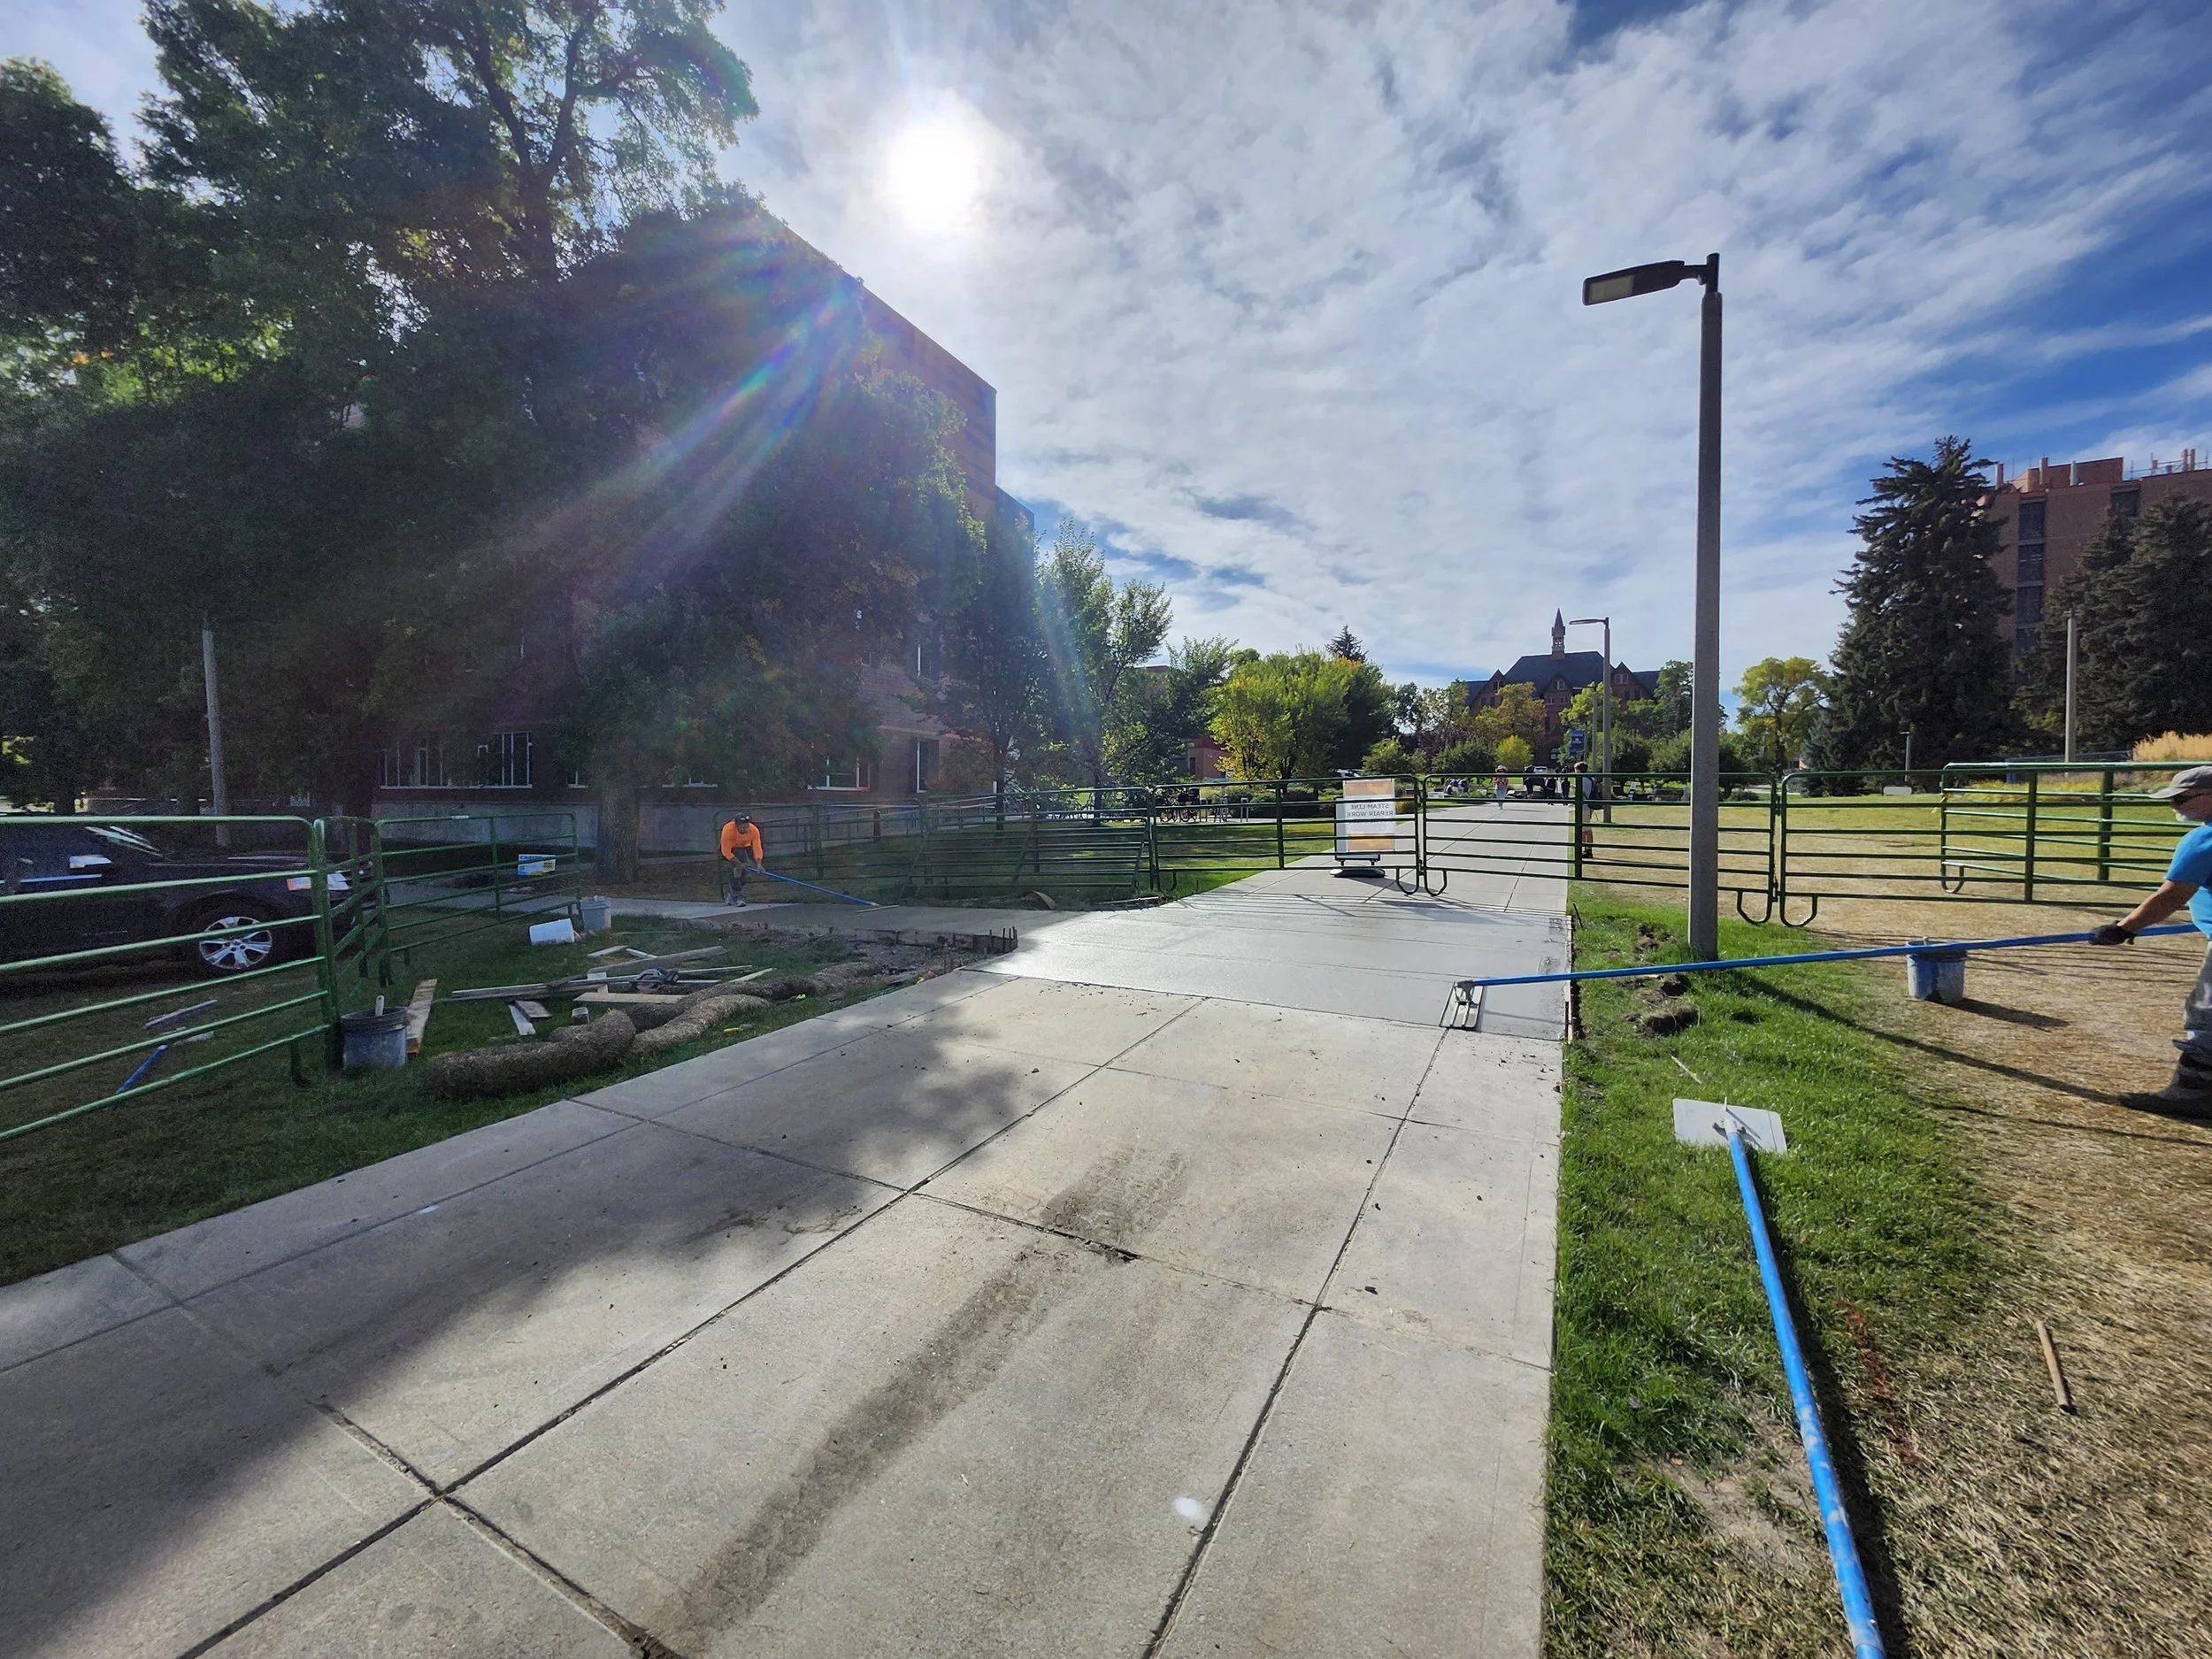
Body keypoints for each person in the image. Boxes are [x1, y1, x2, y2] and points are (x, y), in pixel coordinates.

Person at [2089, 764, 2212, 1116]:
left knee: (2206, 1013)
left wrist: (2125, 927)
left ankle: (2193, 1092)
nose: (2175, 807)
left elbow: (2172, 896)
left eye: (2183, 799)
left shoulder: (2203, 840)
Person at [718, 811, 765, 907]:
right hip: (731, 849)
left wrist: (759, 864)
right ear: (737, 826)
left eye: (747, 826)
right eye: (743, 827)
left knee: (746, 871)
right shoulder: (728, 830)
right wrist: (739, 864)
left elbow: (757, 847)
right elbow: (726, 852)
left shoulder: (753, 830)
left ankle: (732, 893)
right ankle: (739, 897)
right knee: (737, 870)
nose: (746, 829)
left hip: (744, 846)